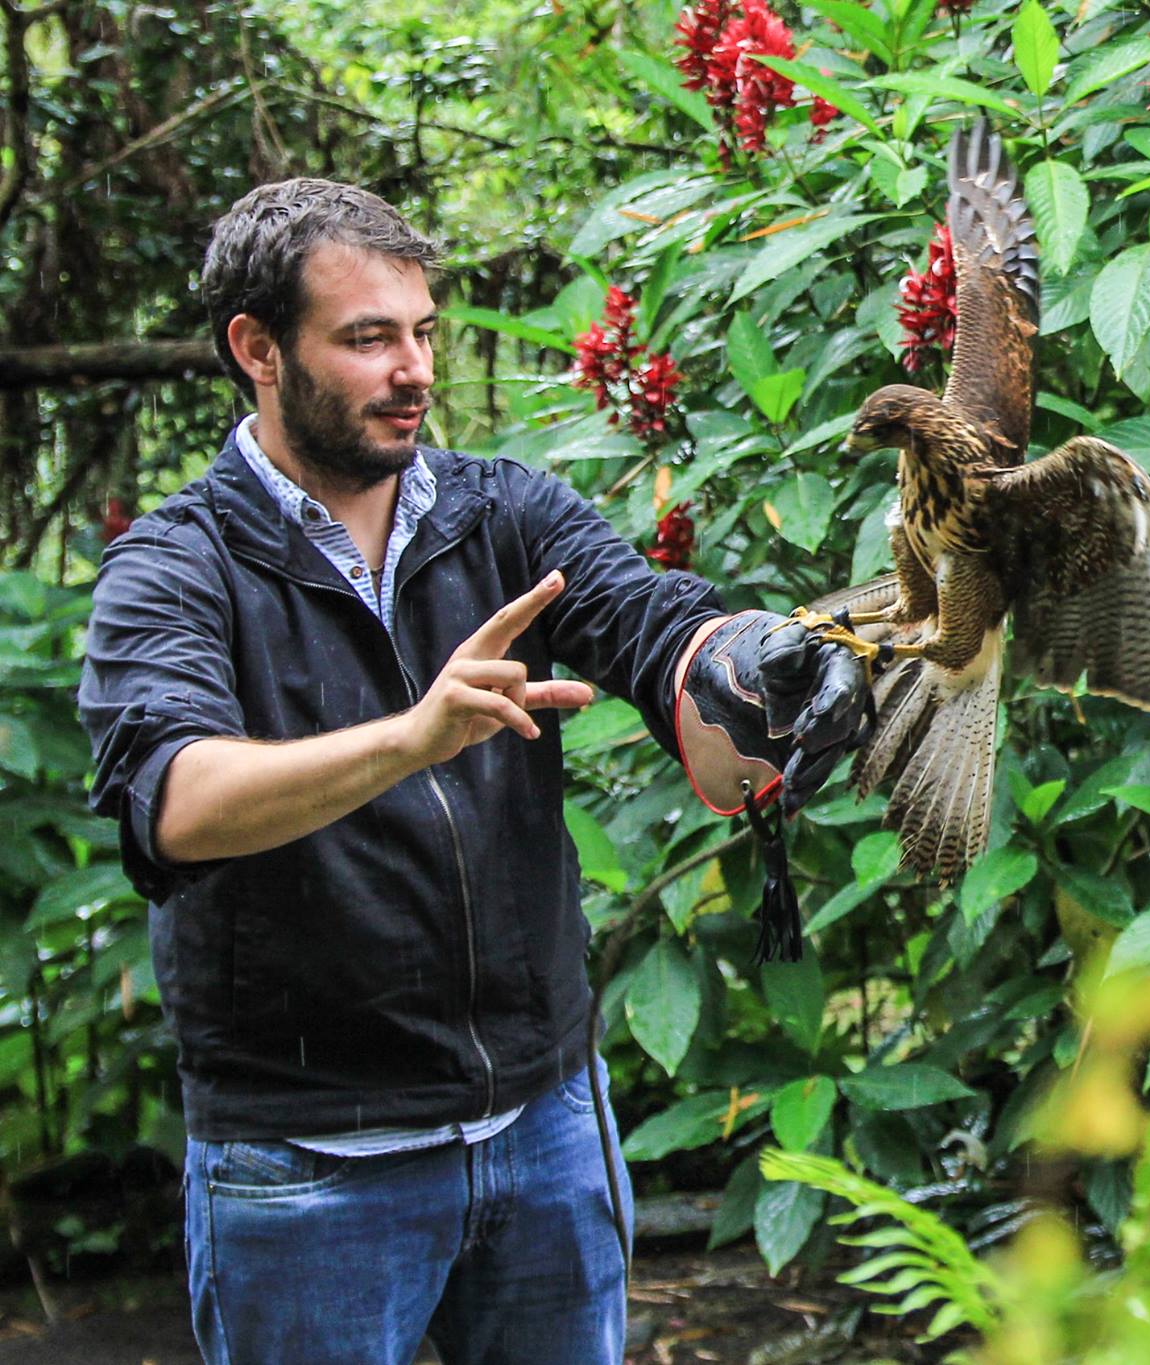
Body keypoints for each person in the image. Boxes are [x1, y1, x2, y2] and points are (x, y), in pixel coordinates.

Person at [76, 178, 869, 1364]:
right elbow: (178, 802)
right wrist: (412, 735)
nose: (414, 369)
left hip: (542, 1128)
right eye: (366, 339)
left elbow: (652, 626)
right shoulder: (176, 567)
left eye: (424, 331)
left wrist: (769, 659)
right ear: (256, 349)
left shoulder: (504, 515)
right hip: (309, 1167)